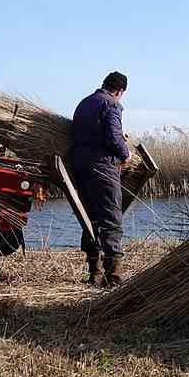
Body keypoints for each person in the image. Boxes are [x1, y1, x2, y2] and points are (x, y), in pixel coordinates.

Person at [71, 71, 130, 286]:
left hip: (79, 167)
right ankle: (113, 277)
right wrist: (126, 153)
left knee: (90, 218)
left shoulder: (84, 103)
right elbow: (113, 136)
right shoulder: (112, 105)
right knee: (111, 218)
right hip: (103, 167)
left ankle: (94, 274)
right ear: (120, 91)